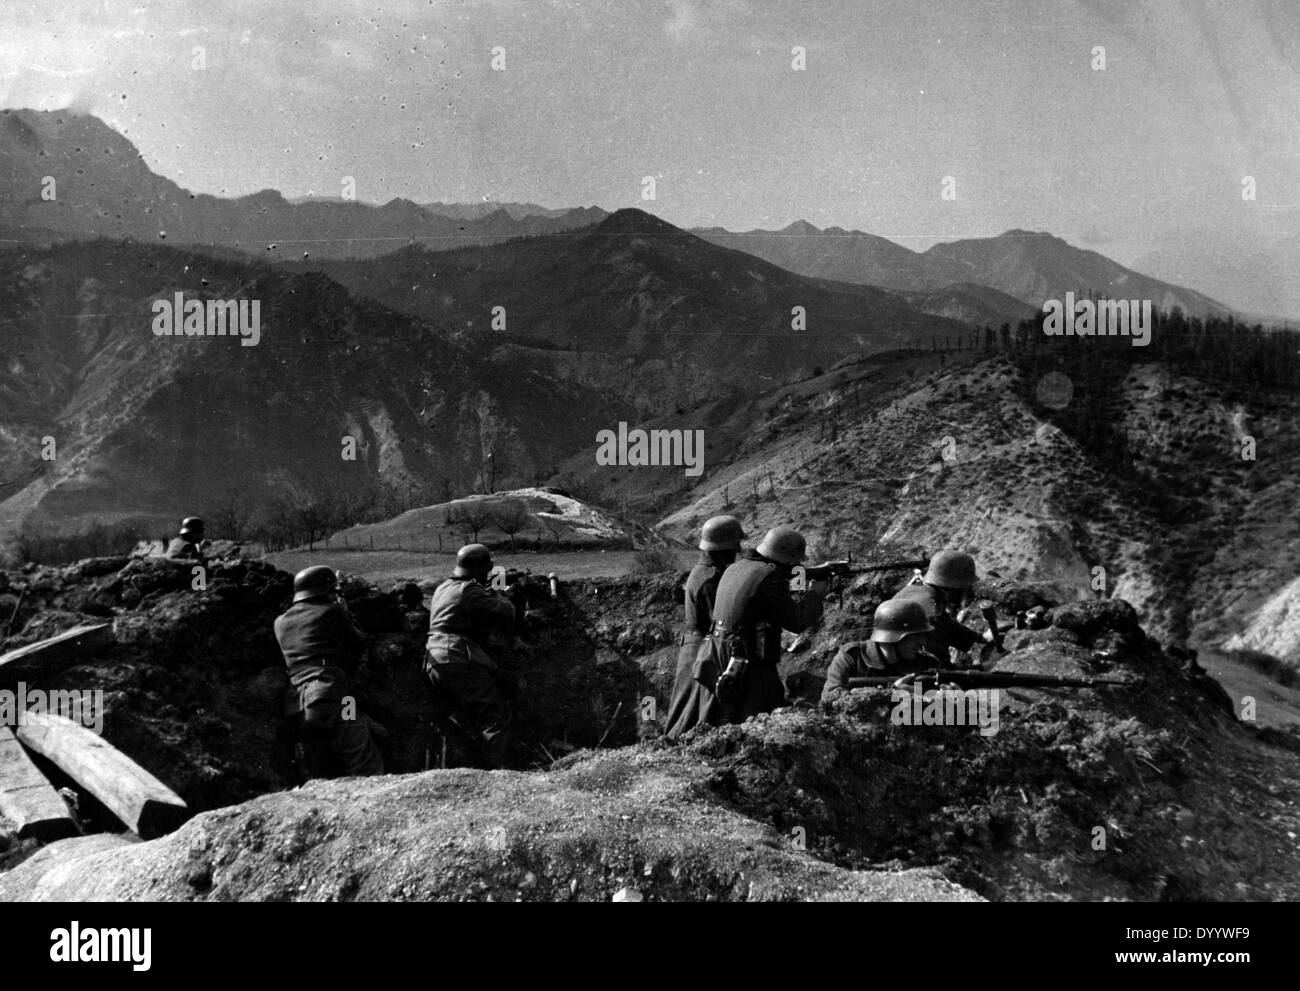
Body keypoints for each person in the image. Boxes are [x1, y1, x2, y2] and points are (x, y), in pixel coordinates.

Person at [668, 526, 828, 738]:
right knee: (757, 714)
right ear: (788, 559)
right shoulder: (768, 575)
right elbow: (796, 622)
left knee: (721, 712)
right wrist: (815, 595)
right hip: (746, 655)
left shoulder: (738, 567)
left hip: (720, 650)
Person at [274, 565, 384, 777]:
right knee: (361, 754)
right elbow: (358, 643)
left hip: (298, 703)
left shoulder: (280, 622)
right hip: (336, 694)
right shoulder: (331, 611)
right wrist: (345, 611)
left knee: (321, 765)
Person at [425, 543, 517, 769]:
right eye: (487, 568)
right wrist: (501, 592)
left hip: (434, 659)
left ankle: (466, 768)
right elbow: (505, 613)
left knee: (463, 717)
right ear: (478, 567)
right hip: (456, 656)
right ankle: (499, 775)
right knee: (495, 716)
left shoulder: (444, 587)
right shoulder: (469, 590)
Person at [663, 515, 745, 738]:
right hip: (702, 647)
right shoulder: (710, 578)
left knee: (688, 706)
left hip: (696, 645)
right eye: (734, 547)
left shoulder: (705, 572)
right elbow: (719, 621)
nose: (736, 552)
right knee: (697, 709)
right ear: (724, 548)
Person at [821, 599, 939, 700]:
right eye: (915, 637)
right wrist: (889, 695)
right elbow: (830, 700)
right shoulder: (852, 657)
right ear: (893, 638)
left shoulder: (926, 663)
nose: (922, 642)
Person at [891, 550, 990, 661]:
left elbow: (945, 624)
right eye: (964, 588)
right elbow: (941, 670)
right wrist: (984, 667)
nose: (966, 592)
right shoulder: (931, 614)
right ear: (953, 588)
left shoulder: (915, 589)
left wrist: (979, 638)